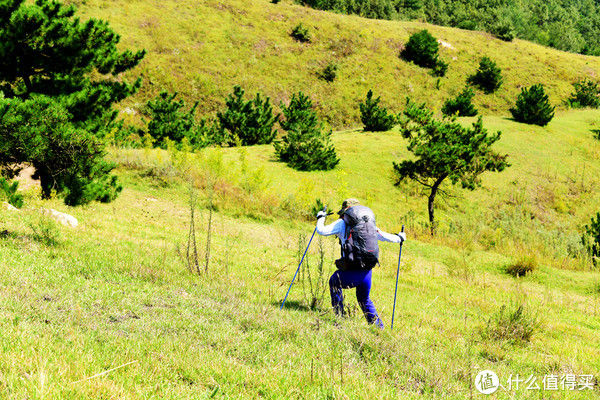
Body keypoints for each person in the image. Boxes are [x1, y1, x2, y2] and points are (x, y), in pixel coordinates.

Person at [316, 199, 405, 328]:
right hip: (367, 272)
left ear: (345, 212)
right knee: (364, 299)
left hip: (352, 270)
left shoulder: (342, 223)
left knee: (334, 281)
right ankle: (378, 327)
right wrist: (400, 237)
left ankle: (340, 319)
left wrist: (320, 217)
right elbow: (383, 236)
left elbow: (321, 230)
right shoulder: (368, 224)